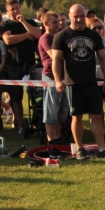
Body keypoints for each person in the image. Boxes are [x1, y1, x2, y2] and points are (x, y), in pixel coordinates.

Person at [51, 4, 105, 160]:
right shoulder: (61, 36)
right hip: (73, 83)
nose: (79, 19)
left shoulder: (93, 35)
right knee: (76, 117)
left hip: (91, 82)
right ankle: (79, 149)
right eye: (76, 16)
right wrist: (58, 80)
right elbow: (56, 60)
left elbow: (103, 58)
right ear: (69, 17)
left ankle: (101, 149)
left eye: (81, 16)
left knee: (97, 115)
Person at [1, 0, 41, 134]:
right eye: (12, 9)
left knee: (36, 95)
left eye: (17, 8)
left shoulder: (30, 22)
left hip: (31, 65)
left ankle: (38, 120)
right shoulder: (6, 25)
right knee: (16, 97)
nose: (15, 11)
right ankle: (20, 125)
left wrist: (23, 22)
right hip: (14, 66)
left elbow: (38, 34)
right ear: (7, 11)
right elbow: (8, 40)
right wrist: (26, 35)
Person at [38, 11, 67, 145]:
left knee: (61, 109)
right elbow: (54, 55)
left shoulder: (59, 36)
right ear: (46, 23)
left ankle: (58, 138)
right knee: (51, 109)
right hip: (51, 77)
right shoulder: (46, 38)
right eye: (54, 22)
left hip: (63, 76)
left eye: (58, 22)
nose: (58, 24)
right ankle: (51, 139)